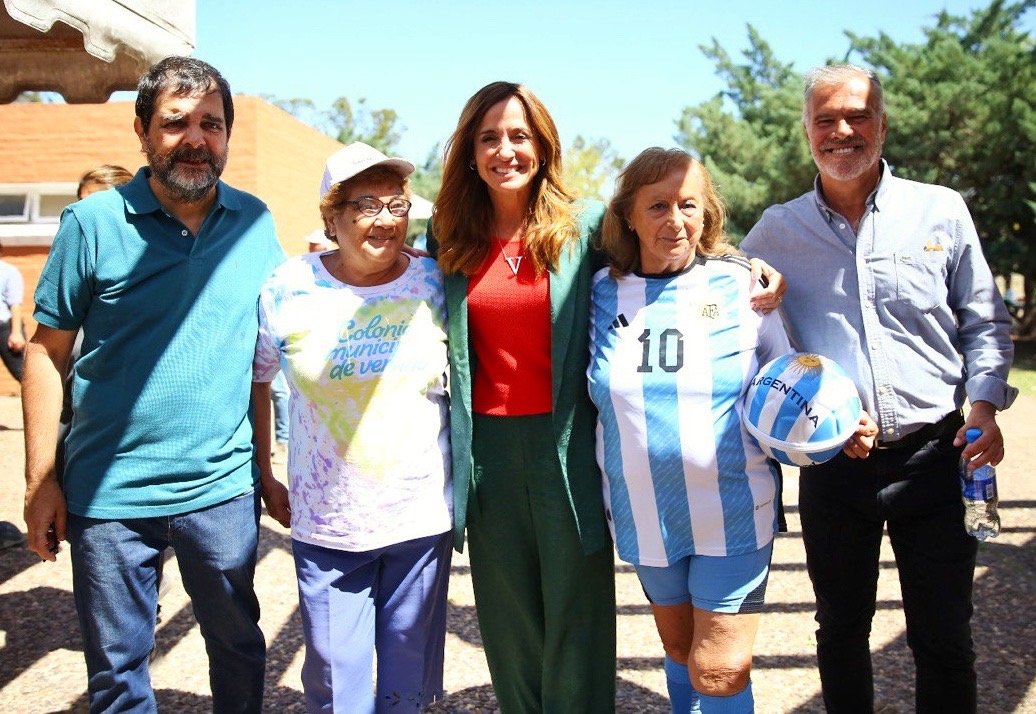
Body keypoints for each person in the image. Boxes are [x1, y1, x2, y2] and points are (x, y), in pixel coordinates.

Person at [429, 81, 786, 712]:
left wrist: (741, 262)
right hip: (485, 451)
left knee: (577, 613)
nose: (505, 150)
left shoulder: (585, 225)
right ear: (468, 151)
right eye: (489, 138)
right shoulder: (448, 236)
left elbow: (666, 242)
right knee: (508, 618)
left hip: (565, 447)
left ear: (543, 146)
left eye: (519, 136)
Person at [741, 64, 1017, 713]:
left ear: (883, 124)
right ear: (807, 131)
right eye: (826, 119)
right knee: (839, 632)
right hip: (838, 465)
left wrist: (983, 404)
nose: (843, 131)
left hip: (938, 459)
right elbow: (720, 296)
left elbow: (985, 319)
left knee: (945, 636)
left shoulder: (940, 209)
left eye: (857, 116)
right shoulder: (776, 231)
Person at [22, 56, 284, 712]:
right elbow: (44, 355)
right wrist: (40, 481)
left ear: (226, 136)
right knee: (117, 673)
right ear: (142, 131)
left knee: (239, 647)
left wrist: (401, 273)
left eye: (212, 124)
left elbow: (293, 326)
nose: (196, 138)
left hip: (220, 490)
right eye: (176, 123)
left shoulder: (256, 224)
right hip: (108, 495)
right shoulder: (91, 225)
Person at [588, 147, 791, 713]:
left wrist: (832, 426)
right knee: (680, 651)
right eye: (657, 205)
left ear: (708, 214)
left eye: (688, 205)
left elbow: (790, 380)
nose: (674, 220)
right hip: (641, 511)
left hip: (733, 505)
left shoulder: (745, 286)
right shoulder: (598, 292)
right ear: (628, 215)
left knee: (720, 669)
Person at [252, 142, 452, 712]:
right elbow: (259, 378)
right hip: (327, 523)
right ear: (331, 217)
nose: (386, 219)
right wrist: (264, 470)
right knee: (338, 690)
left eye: (396, 204)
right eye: (366, 205)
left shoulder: (434, 282)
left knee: (406, 691)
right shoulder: (288, 287)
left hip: (419, 520)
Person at [0, 239, 26, 384]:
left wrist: (16, 333)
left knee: (21, 372)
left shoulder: (8, 271)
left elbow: (15, 303)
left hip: (5, 326)